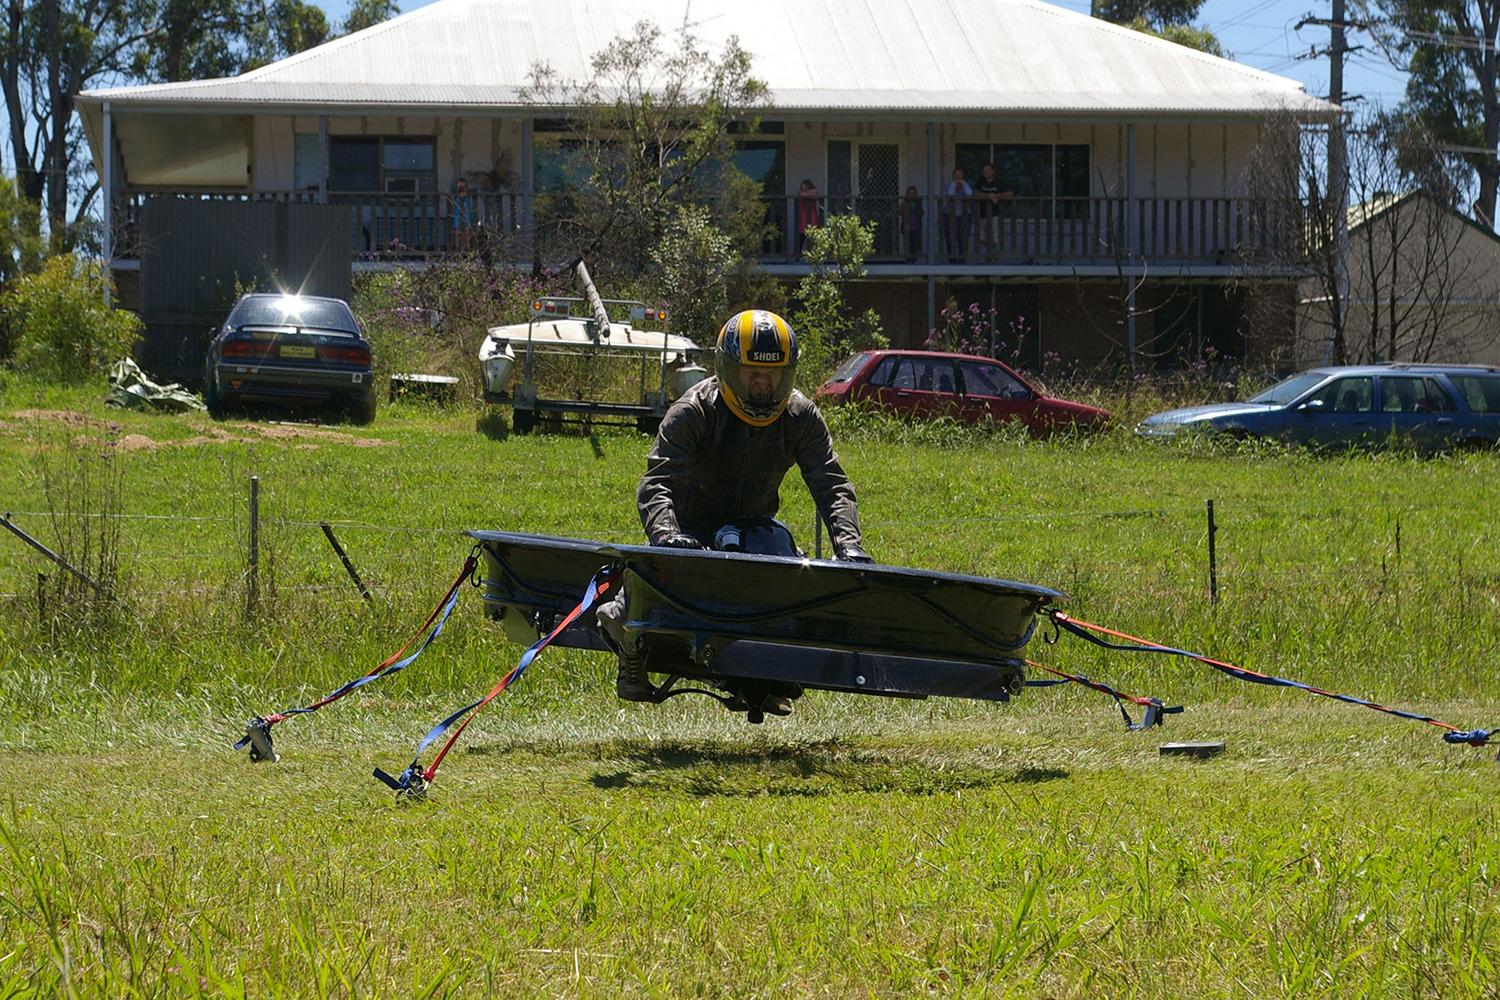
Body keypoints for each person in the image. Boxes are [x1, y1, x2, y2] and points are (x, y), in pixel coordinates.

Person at [599, 309, 871, 715]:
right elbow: (656, 483)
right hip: (689, 534)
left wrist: (849, 547)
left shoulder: (800, 415)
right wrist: (667, 536)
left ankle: (769, 676)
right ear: (728, 368)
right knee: (646, 588)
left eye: (774, 374)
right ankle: (631, 645)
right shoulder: (693, 411)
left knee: (788, 574)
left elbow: (831, 483)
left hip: (755, 532)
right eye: (751, 373)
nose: (763, 385)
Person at [972, 162, 1014, 261]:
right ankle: (992, 253)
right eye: (984, 171)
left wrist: (996, 196)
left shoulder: (999, 182)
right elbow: (975, 193)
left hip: (994, 214)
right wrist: (987, 195)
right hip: (982, 214)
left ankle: (990, 255)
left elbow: (1010, 194)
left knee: (994, 239)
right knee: (981, 238)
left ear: (992, 171)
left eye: (987, 170)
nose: (985, 172)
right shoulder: (980, 181)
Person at [942, 167, 972, 263]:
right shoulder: (949, 184)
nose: (958, 177)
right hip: (950, 216)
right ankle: (952, 261)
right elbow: (950, 193)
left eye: (960, 175)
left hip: (964, 216)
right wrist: (955, 186)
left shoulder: (966, 185)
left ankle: (962, 261)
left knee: (963, 239)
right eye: (956, 175)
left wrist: (963, 185)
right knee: (951, 239)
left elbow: (969, 194)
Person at [449, 177, 478, 251]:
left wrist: (466, 192)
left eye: (463, 186)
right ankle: (457, 247)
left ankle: (468, 247)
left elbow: (474, 191)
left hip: (467, 213)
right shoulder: (456, 194)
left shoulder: (468, 195)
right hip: (458, 214)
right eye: (459, 186)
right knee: (457, 230)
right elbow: (453, 193)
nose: (461, 188)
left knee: (467, 230)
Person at [795, 179, 824, 254]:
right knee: (802, 234)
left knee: (813, 234)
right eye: (802, 185)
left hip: (812, 215)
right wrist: (808, 194)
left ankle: (814, 253)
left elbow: (815, 194)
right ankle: (799, 253)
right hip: (803, 215)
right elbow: (800, 194)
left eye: (805, 185)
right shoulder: (801, 193)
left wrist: (808, 194)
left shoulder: (813, 191)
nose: (803, 187)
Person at [900, 185, 923, 261]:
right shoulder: (904, 202)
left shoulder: (917, 203)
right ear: (907, 194)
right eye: (910, 193)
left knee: (914, 243)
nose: (911, 195)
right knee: (907, 243)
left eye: (913, 194)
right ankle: (908, 258)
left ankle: (914, 258)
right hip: (906, 226)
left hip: (915, 226)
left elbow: (922, 212)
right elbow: (901, 212)